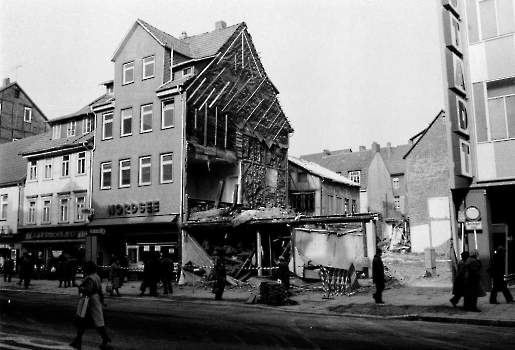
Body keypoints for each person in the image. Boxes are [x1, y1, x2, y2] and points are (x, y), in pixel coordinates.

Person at [70, 261, 111, 350]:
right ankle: (78, 340)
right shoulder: (96, 277)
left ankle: (79, 341)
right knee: (95, 321)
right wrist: (102, 300)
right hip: (95, 300)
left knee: (83, 321)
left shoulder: (89, 278)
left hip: (88, 301)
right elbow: (99, 290)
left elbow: (87, 290)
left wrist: (80, 287)